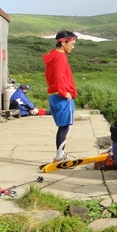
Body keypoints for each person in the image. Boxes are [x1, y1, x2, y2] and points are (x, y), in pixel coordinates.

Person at [43, 31, 78, 162]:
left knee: (62, 127)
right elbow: (59, 76)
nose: (73, 47)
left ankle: (60, 153)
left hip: (53, 95)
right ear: (63, 42)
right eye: (72, 44)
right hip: (61, 96)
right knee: (64, 127)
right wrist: (64, 92)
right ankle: (59, 156)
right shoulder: (60, 57)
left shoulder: (52, 56)